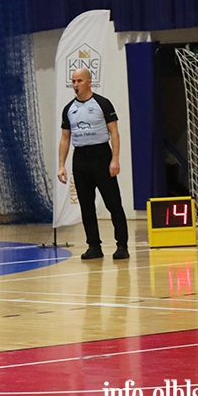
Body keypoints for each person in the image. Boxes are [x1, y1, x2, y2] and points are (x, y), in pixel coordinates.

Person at [58, 68, 129, 260]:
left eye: (79, 81)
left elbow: (114, 132)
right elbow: (65, 138)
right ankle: (94, 246)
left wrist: (115, 159)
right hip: (80, 158)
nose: (76, 85)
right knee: (86, 205)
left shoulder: (103, 104)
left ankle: (122, 245)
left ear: (89, 82)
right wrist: (61, 165)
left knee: (113, 203)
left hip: (101, 155)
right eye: (73, 81)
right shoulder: (69, 109)